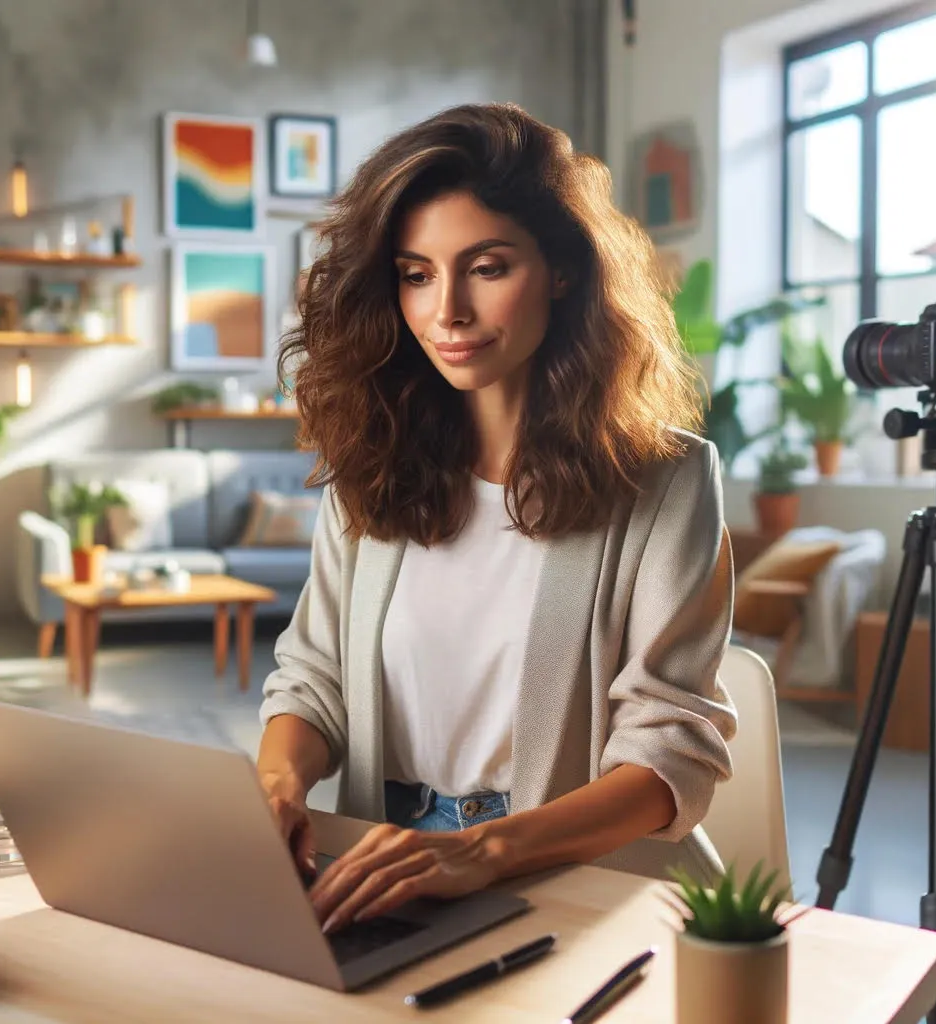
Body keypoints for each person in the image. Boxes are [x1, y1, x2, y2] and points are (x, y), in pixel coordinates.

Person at [256, 102, 736, 936]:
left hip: (574, 877)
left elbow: (670, 750)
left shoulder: (666, 479)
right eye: (416, 273)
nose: (448, 312)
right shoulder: (373, 462)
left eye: (485, 267)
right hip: (378, 859)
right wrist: (278, 785)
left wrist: (481, 850)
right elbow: (314, 679)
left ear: (560, 269)